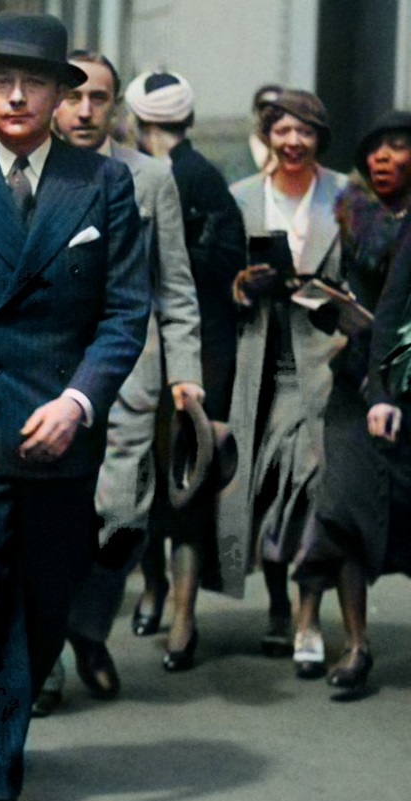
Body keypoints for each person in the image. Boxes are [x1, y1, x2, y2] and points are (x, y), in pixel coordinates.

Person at [0, 13, 149, 801]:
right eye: (1, 82)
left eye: (37, 82)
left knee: (46, 601)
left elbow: (125, 312)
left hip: (63, 426)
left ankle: (10, 714)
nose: (17, 95)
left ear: (60, 95)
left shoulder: (103, 183)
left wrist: (79, 400)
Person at [42, 51, 202, 707]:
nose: (84, 110)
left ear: (116, 105)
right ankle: (45, 657)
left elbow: (177, 288)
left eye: (98, 98)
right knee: (49, 517)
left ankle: (88, 627)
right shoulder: (31, 174)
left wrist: (185, 375)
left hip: (133, 376)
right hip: (49, 371)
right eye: (73, 96)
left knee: (123, 515)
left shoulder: (152, 177)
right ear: (54, 100)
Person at [123, 69, 246, 671]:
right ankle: (171, 606)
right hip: (189, 352)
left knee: (169, 485)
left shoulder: (175, 178)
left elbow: (216, 266)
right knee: (167, 483)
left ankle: (175, 611)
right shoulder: (202, 178)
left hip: (183, 350)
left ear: (136, 120)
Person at [222, 89, 346, 665]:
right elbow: (218, 284)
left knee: (317, 494)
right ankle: (276, 603)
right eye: (282, 132)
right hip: (261, 364)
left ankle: (308, 618)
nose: (293, 143)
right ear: (268, 136)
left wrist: (333, 297)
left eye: (306, 132)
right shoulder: (241, 198)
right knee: (267, 491)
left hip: (326, 362)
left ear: (321, 138)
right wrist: (241, 285)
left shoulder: (347, 195)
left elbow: (373, 278)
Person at [294, 111, 411, 694]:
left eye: (396, 147)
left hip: (402, 389)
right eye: (373, 150)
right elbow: (359, 301)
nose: (381, 159)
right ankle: (357, 644)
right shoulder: (353, 217)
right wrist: (325, 304)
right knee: (342, 508)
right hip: (357, 387)